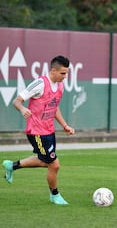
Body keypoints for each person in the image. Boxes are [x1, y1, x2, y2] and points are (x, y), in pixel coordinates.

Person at [2, 55, 75, 205]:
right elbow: (17, 100)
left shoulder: (60, 86)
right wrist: (22, 109)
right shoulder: (40, 84)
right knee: (54, 164)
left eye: (67, 73)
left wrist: (64, 125)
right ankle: (54, 195)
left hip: (49, 130)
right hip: (36, 131)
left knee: (45, 162)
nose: (65, 76)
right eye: (62, 73)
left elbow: (54, 108)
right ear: (53, 70)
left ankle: (12, 165)